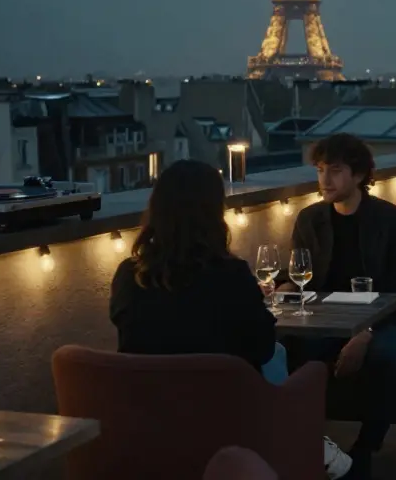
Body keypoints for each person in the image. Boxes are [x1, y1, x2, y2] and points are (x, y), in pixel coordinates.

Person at [109, 160, 352, 479]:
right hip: (227, 425)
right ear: (213, 213)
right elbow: (262, 346)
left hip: (148, 424)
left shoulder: (129, 275)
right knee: (278, 357)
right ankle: (302, 441)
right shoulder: (230, 275)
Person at [281, 133, 396, 480]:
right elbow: (301, 275)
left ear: (358, 175)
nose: (325, 180)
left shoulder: (391, 220)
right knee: (283, 351)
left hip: (383, 319)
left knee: (392, 356)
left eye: (335, 171)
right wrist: (282, 284)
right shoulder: (310, 219)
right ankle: (306, 443)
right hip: (324, 319)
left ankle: (365, 448)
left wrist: (365, 332)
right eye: (320, 170)